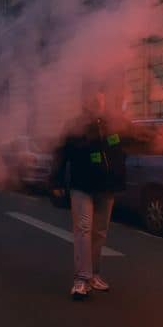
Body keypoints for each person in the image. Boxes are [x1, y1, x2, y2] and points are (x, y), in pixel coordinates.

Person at [52, 87, 127, 300]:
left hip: (106, 186)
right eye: (92, 98)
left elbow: (124, 148)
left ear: (104, 100)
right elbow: (61, 153)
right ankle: (81, 279)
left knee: (99, 232)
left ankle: (94, 274)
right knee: (83, 229)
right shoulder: (75, 126)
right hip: (82, 185)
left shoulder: (114, 124)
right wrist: (56, 180)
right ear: (85, 102)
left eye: (99, 97)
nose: (96, 101)